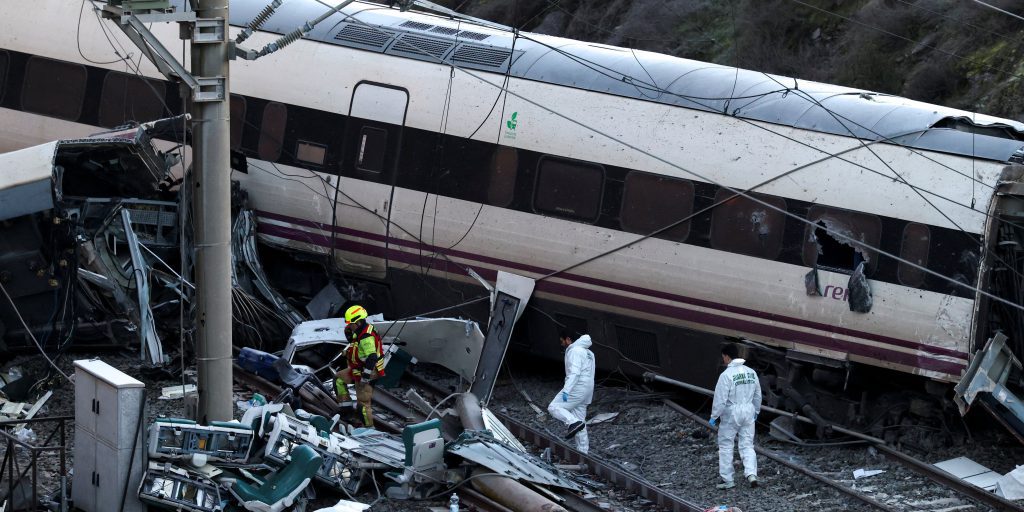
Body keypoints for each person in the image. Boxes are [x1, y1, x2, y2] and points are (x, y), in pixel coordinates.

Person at [709, 343, 762, 489]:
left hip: (731, 413)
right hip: (749, 411)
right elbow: (758, 395)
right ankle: (751, 474)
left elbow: (720, 399)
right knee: (747, 444)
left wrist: (714, 416)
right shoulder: (751, 372)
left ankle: (728, 480)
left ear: (726, 356)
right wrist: (756, 411)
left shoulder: (726, 375)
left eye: (723, 357)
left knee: (726, 445)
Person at [334, 305, 386, 429]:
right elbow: (356, 346)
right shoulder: (360, 330)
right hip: (358, 369)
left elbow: (372, 357)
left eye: (351, 324)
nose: (349, 326)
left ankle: (369, 428)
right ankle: (346, 410)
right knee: (339, 379)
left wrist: (365, 377)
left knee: (363, 404)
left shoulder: (366, 337)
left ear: (358, 322)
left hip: (369, 371)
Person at [547, 331, 595, 453]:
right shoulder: (589, 353)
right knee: (581, 421)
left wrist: (567, 390)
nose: (561, 344)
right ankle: (583, 453)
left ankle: (572, 422)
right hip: (587, 389)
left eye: (562, 341)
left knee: (553, 407)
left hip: (577, 387)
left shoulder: (575, 351)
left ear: (568, 339)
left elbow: (575, 373)